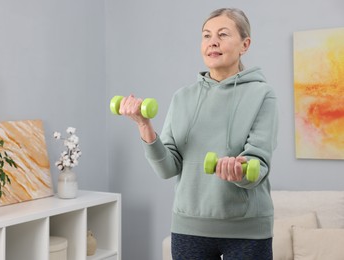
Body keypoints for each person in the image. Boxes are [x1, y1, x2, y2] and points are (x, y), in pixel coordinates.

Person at [119, 8, 278, 260]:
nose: (213, 41)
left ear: (244, 44)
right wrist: (143, 124)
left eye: (223, 34)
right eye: (206, 35)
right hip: (188, 229)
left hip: (247, 230)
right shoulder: (182, 97)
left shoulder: (262, 94)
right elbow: (167, 168)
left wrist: (240, 169)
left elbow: (258, 166)